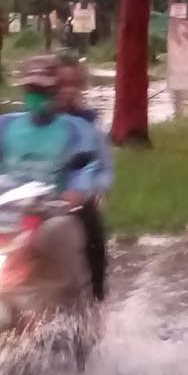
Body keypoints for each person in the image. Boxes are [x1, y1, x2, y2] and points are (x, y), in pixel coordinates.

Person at [0, 55, 113, 298]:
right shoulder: (3, 125)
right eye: (31, 89)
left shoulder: (77, 128)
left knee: (75, 233)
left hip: (52, 209)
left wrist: (79, 191)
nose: (37, 95)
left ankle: (83, 302)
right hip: (9, 208)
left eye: (43, 89)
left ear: (55, 90)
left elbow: (86, 166)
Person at [55, 55, 113, 301]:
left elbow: (102, 166)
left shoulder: (87, 123)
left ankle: (96, 299)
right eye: (61, 84)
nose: (68, 91)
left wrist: (93, 189)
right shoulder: (27, 122)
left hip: (75, 200)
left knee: (93, 238)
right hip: (31, 198)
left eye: (74, 84)